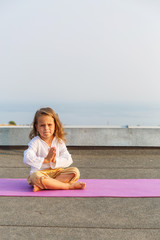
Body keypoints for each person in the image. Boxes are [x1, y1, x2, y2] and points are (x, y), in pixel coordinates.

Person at [24, 107, 86, 192]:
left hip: (57, 173)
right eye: (42, 125)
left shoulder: (59, 141)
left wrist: (54, 161)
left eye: (49, 125)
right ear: (37, 127)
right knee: (35, 176)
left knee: (75, 172)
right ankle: (67, 186)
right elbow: (27, 157)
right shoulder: (35, 142)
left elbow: (68, 159)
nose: (46, 128)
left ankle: (45, 185)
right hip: (41, 174)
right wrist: (46, 160)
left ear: (55, 126)